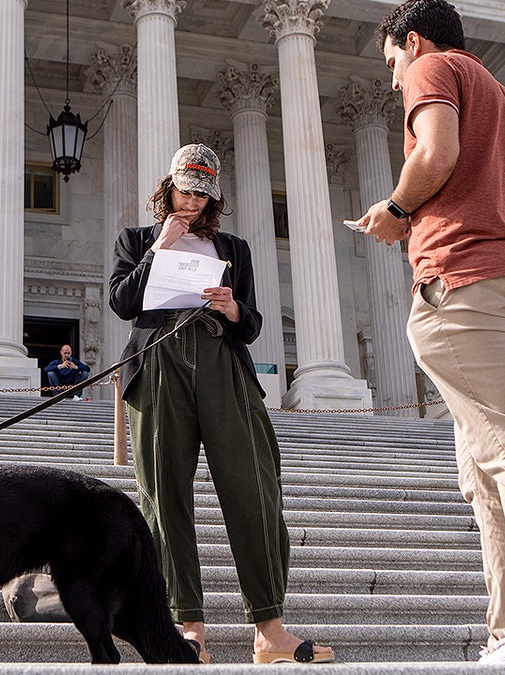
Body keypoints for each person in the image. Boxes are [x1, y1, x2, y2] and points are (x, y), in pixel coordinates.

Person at [351, 0, 505, 664]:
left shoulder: (434, 68)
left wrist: (396, 209)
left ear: (412, 41)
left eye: (392, 61)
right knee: (482, 471)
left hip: (466, 283)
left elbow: (438, 150)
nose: (395, 79)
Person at [109, 143, 334, 665]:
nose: (193, 205)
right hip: (160, 362)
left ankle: (269, 628)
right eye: (186, 194)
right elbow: (122, 303)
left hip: (222, 364)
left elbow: (253, 326)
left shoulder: (233, 246)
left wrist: (234, 308)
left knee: (254, 488)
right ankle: (188, 627)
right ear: (168, 190)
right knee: (164, 496)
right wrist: (159, 249)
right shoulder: (138, 239)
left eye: (203, 198)